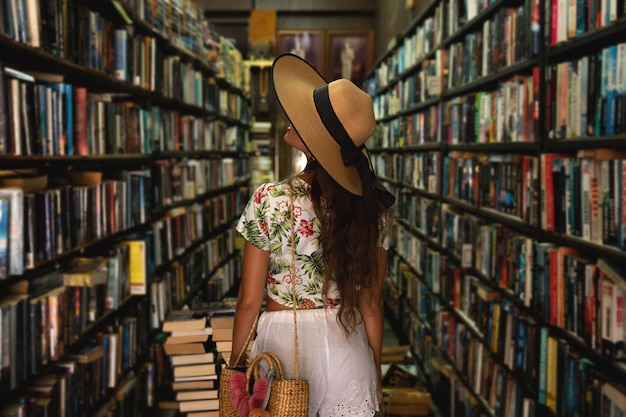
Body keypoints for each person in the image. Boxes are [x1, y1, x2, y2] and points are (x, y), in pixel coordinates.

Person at [229, 52, 395, 416]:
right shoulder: (373, 212)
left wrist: (236, 371)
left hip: (281, 351)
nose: (292, 116)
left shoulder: (269, 200)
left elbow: (248, 300)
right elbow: (371, 303)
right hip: (347, 351)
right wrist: (374, 372)